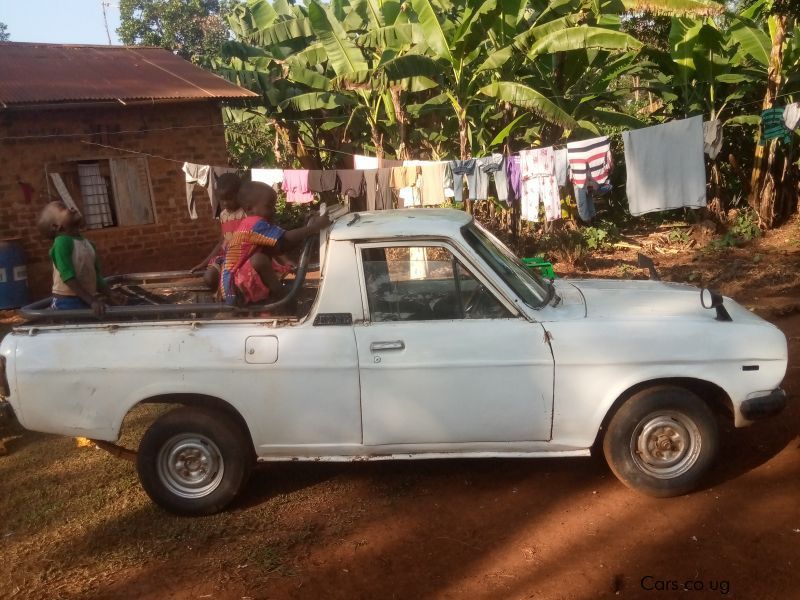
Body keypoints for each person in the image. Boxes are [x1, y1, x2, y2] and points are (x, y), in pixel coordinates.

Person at [221, 181, 329, 306]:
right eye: (268, 206)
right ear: (250, 209)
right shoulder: (254, 224)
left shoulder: (253, 223)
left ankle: (276, 294)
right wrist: (314, 227)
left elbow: (280, 247)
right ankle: (280, 295)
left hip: (237, 282)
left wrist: (307, 225)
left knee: (263, 256)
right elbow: (285, 240)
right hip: (233, 287)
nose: (273, 211)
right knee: (259, 259)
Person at [37, 200, 111, 316]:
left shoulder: (88, 244)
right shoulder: (61, 243)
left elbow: (95, 276)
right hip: (67, 303)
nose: (71, 208)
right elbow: (68, 277)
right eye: (63, 209)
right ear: (56, 226)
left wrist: (110, 294)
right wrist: (92, 301)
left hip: (87, 299)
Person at [192, 173, 247, 290]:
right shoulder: (223, 215)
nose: (225, 203)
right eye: (222, 200)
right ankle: (225, 295)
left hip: (245, 256)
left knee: (241, 280)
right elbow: (222, 242)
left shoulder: (246, 212)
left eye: (229, 199)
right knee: (209, 278)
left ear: (239, 194)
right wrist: (204, 263)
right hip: (227, 257)